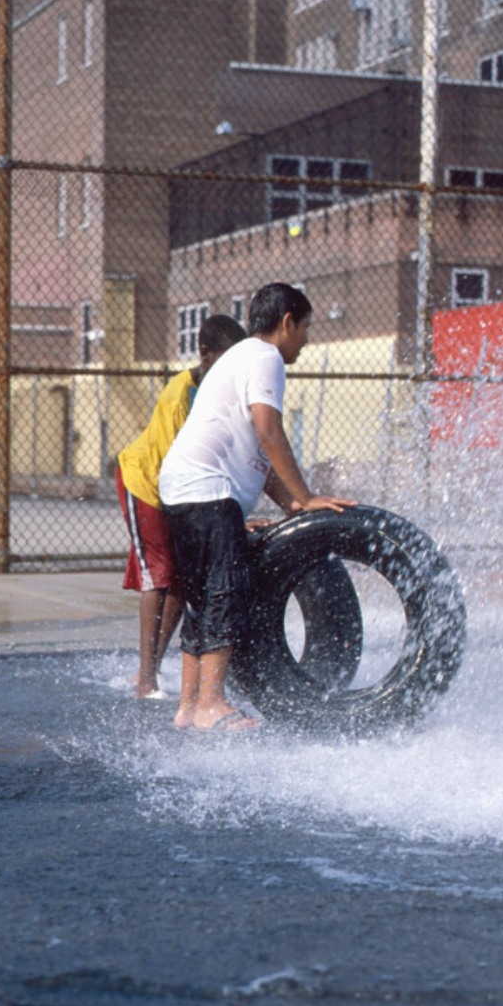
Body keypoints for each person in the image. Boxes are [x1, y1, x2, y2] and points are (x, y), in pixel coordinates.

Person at [158, 282, 354, 733]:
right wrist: (306, 496)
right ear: (286, 322)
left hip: (183, 487)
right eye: (305, 328)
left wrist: (290, 507)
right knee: (226, 591)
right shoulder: (266, 358)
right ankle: (212, 703)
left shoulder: (239, 356)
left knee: (201, 596)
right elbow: (269, 432)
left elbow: (257, 456)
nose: (307, 339)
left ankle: (188, 708)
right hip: (209, 489)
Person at [115, 313, 245, 699]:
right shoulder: (180, 394)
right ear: (205, 356)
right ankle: (145, 679)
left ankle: (151, 667)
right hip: (146, 483)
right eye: (225, 361)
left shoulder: (216, 392)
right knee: (159, 576)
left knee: (180, 578)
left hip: (175, 491)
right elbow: (179, 465)